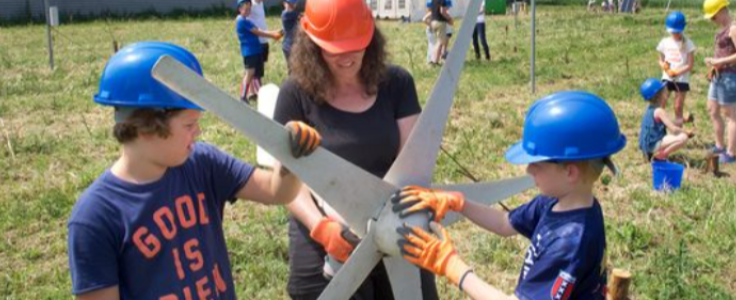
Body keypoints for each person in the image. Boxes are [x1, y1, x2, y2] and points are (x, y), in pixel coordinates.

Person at [67, 42, 321, 300]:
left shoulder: (202, 163)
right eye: (189, 124)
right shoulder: (94, 218)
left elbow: (276, 191)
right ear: (145, 127)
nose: (197, 132)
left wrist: (292, 158)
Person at [392, 91, 626, 300]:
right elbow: (505, 224)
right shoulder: (557, 201)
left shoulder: (570, 242)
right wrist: (460, 203)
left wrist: (452, 266)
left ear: (570, 172)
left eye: (536, 164)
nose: (528, 169)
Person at [272, 0, 435, 298]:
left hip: (393, 221)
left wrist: (395, 220)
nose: (346, 56)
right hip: (323, 232)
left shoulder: (397, 83)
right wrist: (320, 226)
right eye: (333, 48)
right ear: (311, 43)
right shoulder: (294, 94)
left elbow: (414, 162)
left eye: (356, 45)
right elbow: (285, 179)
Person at [703, 0, 736, 164]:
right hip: (717, 75)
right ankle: (719, 145)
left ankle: (730, 153)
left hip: (729, 77)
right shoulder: (722, 28)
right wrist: (715, 65)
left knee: (730, 115)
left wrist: (719, 61)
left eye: (713, 17)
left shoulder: (734, 29)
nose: (712, 21)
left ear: (721, 10)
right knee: (712, 110)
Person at [236, 0, 281, 104]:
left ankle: (258, 95)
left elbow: (260, 30)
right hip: (250, 51)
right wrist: (273, 35)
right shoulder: (242, 21)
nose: (248, 11)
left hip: (256, 50)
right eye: (245, 9)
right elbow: (259, 32)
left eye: (249, 9)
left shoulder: (247, 21)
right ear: (239, 9)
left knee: (256, 75)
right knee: (250, 73)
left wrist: (276, 32)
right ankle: (243, 96)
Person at [638, 79, 692, 162]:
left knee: (678, 137)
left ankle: (652, 154)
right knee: (683, 138)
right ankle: (660, 156)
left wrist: (683, 120)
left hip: (647, 145)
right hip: (652, 145)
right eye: (664, 90)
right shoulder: (659, 111)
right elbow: (674, 129)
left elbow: (667, 122)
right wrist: (686, 132)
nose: (667, 91)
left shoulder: (651, 108)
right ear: (660, 95)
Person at [657, 11, 696, 124]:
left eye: (677, 32)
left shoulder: (688, 44)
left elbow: (690, 64)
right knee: (661, 103)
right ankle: (659, 128)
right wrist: (664, 66)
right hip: (667, 78)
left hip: (681, 79)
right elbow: (660, 60)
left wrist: (677, 72)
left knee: (678, 107)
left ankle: (679, 135)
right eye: (672, 32)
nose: (675, 34)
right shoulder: (664, 42)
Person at [424, 0, 453, 65]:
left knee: (437, 42)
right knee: (439, 42)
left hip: (433, 22)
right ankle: (434, 61)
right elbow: (442, 11)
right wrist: (449, 19)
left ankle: (433, 59)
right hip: (440, 22)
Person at [249, 0, 271, 83]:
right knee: (254, 69)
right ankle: (254, 90)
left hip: (264, 40)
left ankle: (256, 87)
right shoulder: (250, 4)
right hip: (256, 41)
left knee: (260, 66)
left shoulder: (260, 3)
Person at [281, 0, 301, 68]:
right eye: (289, 4)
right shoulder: (287, 14)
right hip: (289, 46)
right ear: (284, 4)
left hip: (289, 45)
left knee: (294, 67)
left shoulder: (291, 14)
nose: (290, 6)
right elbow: (302, 16)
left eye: (292, 4)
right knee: (293, 67)